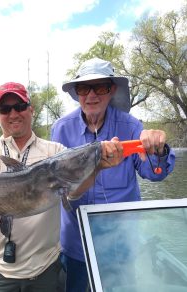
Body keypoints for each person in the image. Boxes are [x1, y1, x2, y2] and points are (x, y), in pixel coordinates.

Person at [0, 81, 124, 292]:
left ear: (31, 110)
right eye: (6, 109)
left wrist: (96, 168)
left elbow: (74, 193)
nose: (13, 113)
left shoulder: (56, 151)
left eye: (20, 106)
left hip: (45, 268)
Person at [51, 57, 176, 292]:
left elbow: (155, 173)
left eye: (100, 87)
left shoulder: (131, 126)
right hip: (76, 243)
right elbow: (55, 183)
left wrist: (158, 149)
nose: (91, 95)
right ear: (77, 93)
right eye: (84, 88)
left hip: (121, 244)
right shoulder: (61, 129)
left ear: (112, 91)